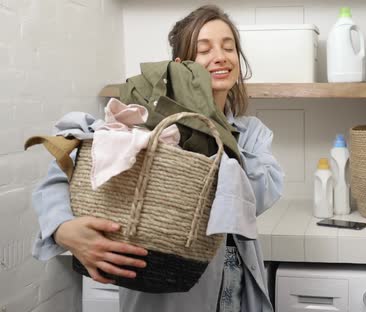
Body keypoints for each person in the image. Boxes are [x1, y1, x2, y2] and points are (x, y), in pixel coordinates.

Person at [31, 5, 283, 312]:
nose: (220, 57)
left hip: (233, 288)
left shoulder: (252, 133)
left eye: (228, 48)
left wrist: (210, 140)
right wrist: (62, 228)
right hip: (164, 297)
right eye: (204, 50)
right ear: (180, 65)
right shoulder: (147, 123)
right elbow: (63, 169)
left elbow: (260, 195)